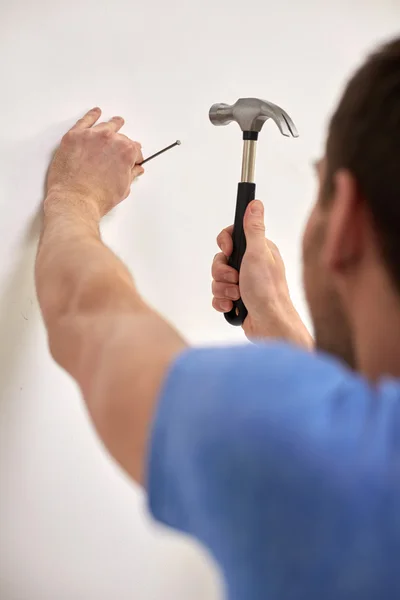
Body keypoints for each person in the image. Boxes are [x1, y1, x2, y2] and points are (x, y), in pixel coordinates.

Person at [36, 37, 400, 599]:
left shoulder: (309, 454)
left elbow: (85, 315)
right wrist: (278, 320)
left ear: (346, 217)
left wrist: (75, 194)